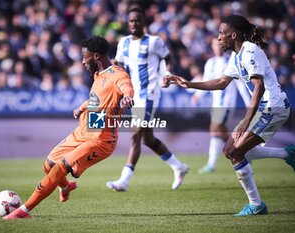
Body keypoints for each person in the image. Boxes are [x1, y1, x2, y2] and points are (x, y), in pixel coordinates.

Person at [167, 15, 295, 216]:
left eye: (221, 33)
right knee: (230, 150)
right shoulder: (236, 56)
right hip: (265, 108)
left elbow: (259, 87)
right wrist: (189, 84)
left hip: (273, 108)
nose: (218, 38)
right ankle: (288, 154)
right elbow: (221, 82)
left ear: (233, 34)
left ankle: (256, 205)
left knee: (236, 152)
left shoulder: (250, 51)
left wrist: (246, 119)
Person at [3, 36, 135, 219]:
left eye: (84, 56)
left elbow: (126, 86)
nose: (82, 61)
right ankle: (65, 186)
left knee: (59, 168)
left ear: (96, 56)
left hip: (100, 140)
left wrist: (128, 96)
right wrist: (82, 107)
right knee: (48, 165)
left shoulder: (118, 75)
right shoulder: (98, 75)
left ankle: (23, 211)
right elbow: (99, 99)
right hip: (82, 132)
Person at [106, 7, 189, 192]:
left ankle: (124, 181)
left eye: (138, 20)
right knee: (147, 139)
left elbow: (168, 57)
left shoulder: (154, 42)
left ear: (144, 23)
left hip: (149, 94)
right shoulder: (123, 43)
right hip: (132, 95)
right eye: (131, 21)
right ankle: (179, 167)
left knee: (135, 134)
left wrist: (167, 73)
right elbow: (119, 63)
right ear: (127, 24)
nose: (134, 23)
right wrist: (114, 66)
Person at [192, 38, 251, 174]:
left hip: (226, 104)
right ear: (211, 46)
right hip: (216, 103)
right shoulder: (210, 62)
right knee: (222, 133)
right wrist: (197, 95)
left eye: (219, 45)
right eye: (214, 45)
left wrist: (249, 102)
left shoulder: (230, 61)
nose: (217, 47)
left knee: (214, 129)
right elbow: (206, 81)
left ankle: (211, 165)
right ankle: (244, 150)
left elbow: (240, 84)